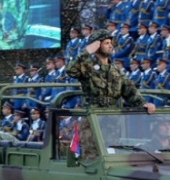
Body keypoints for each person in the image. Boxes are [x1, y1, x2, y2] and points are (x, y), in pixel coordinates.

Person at [65, 29, 156, 160]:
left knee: (111, 156)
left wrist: (143, 103)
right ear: (97, 45)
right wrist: (87, 51)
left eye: (110, 43)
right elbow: (70, 70)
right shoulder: (87, 66)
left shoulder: (115, 70)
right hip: (93, 119)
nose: (110, 46)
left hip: (111, 120)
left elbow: (129, 89)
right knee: (91, 157)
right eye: (106, 43)